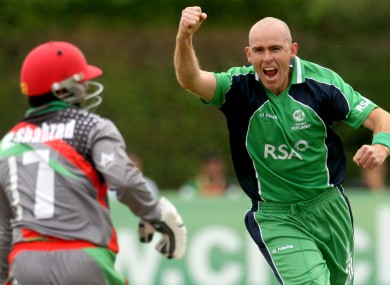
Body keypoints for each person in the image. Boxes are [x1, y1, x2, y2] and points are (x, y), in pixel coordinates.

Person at [174, 6, 390, 285]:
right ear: (248, 54)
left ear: (293, 51)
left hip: (329, 205)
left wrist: (381, 148)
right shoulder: (237, 88)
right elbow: (190, 80)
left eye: (275, 48)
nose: (267, 58)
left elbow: (380, 117)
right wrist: (183, 38)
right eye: (259, 50)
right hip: (276, 216)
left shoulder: (322, 84)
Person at [0, 41, 187, 285]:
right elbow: (125, 181)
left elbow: (3, 228)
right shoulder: (91, 126)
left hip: (26, 263)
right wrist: (157, 214)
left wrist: (3, 277)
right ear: (64, 90)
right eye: (81, 82)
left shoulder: (8, 142)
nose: (86, 86)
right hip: (83, 259)